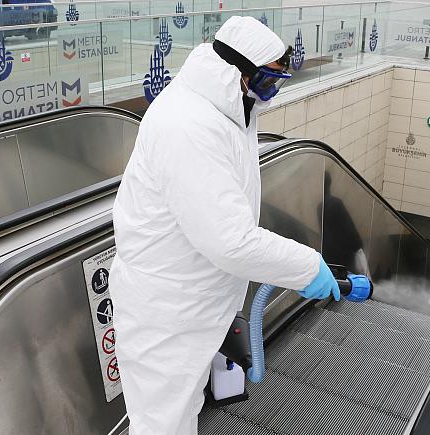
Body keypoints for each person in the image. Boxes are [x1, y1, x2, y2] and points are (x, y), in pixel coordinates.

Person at [108, 16, 340, 435]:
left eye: (279, 82)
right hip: (165, 311)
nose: (270, 94)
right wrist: (306, 268)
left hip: (194, 301)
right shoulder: (188, 125)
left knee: (184, 408)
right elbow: (229, 241)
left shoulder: (229, 106)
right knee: (162, 423)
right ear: (234, 70)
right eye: (267, 82)